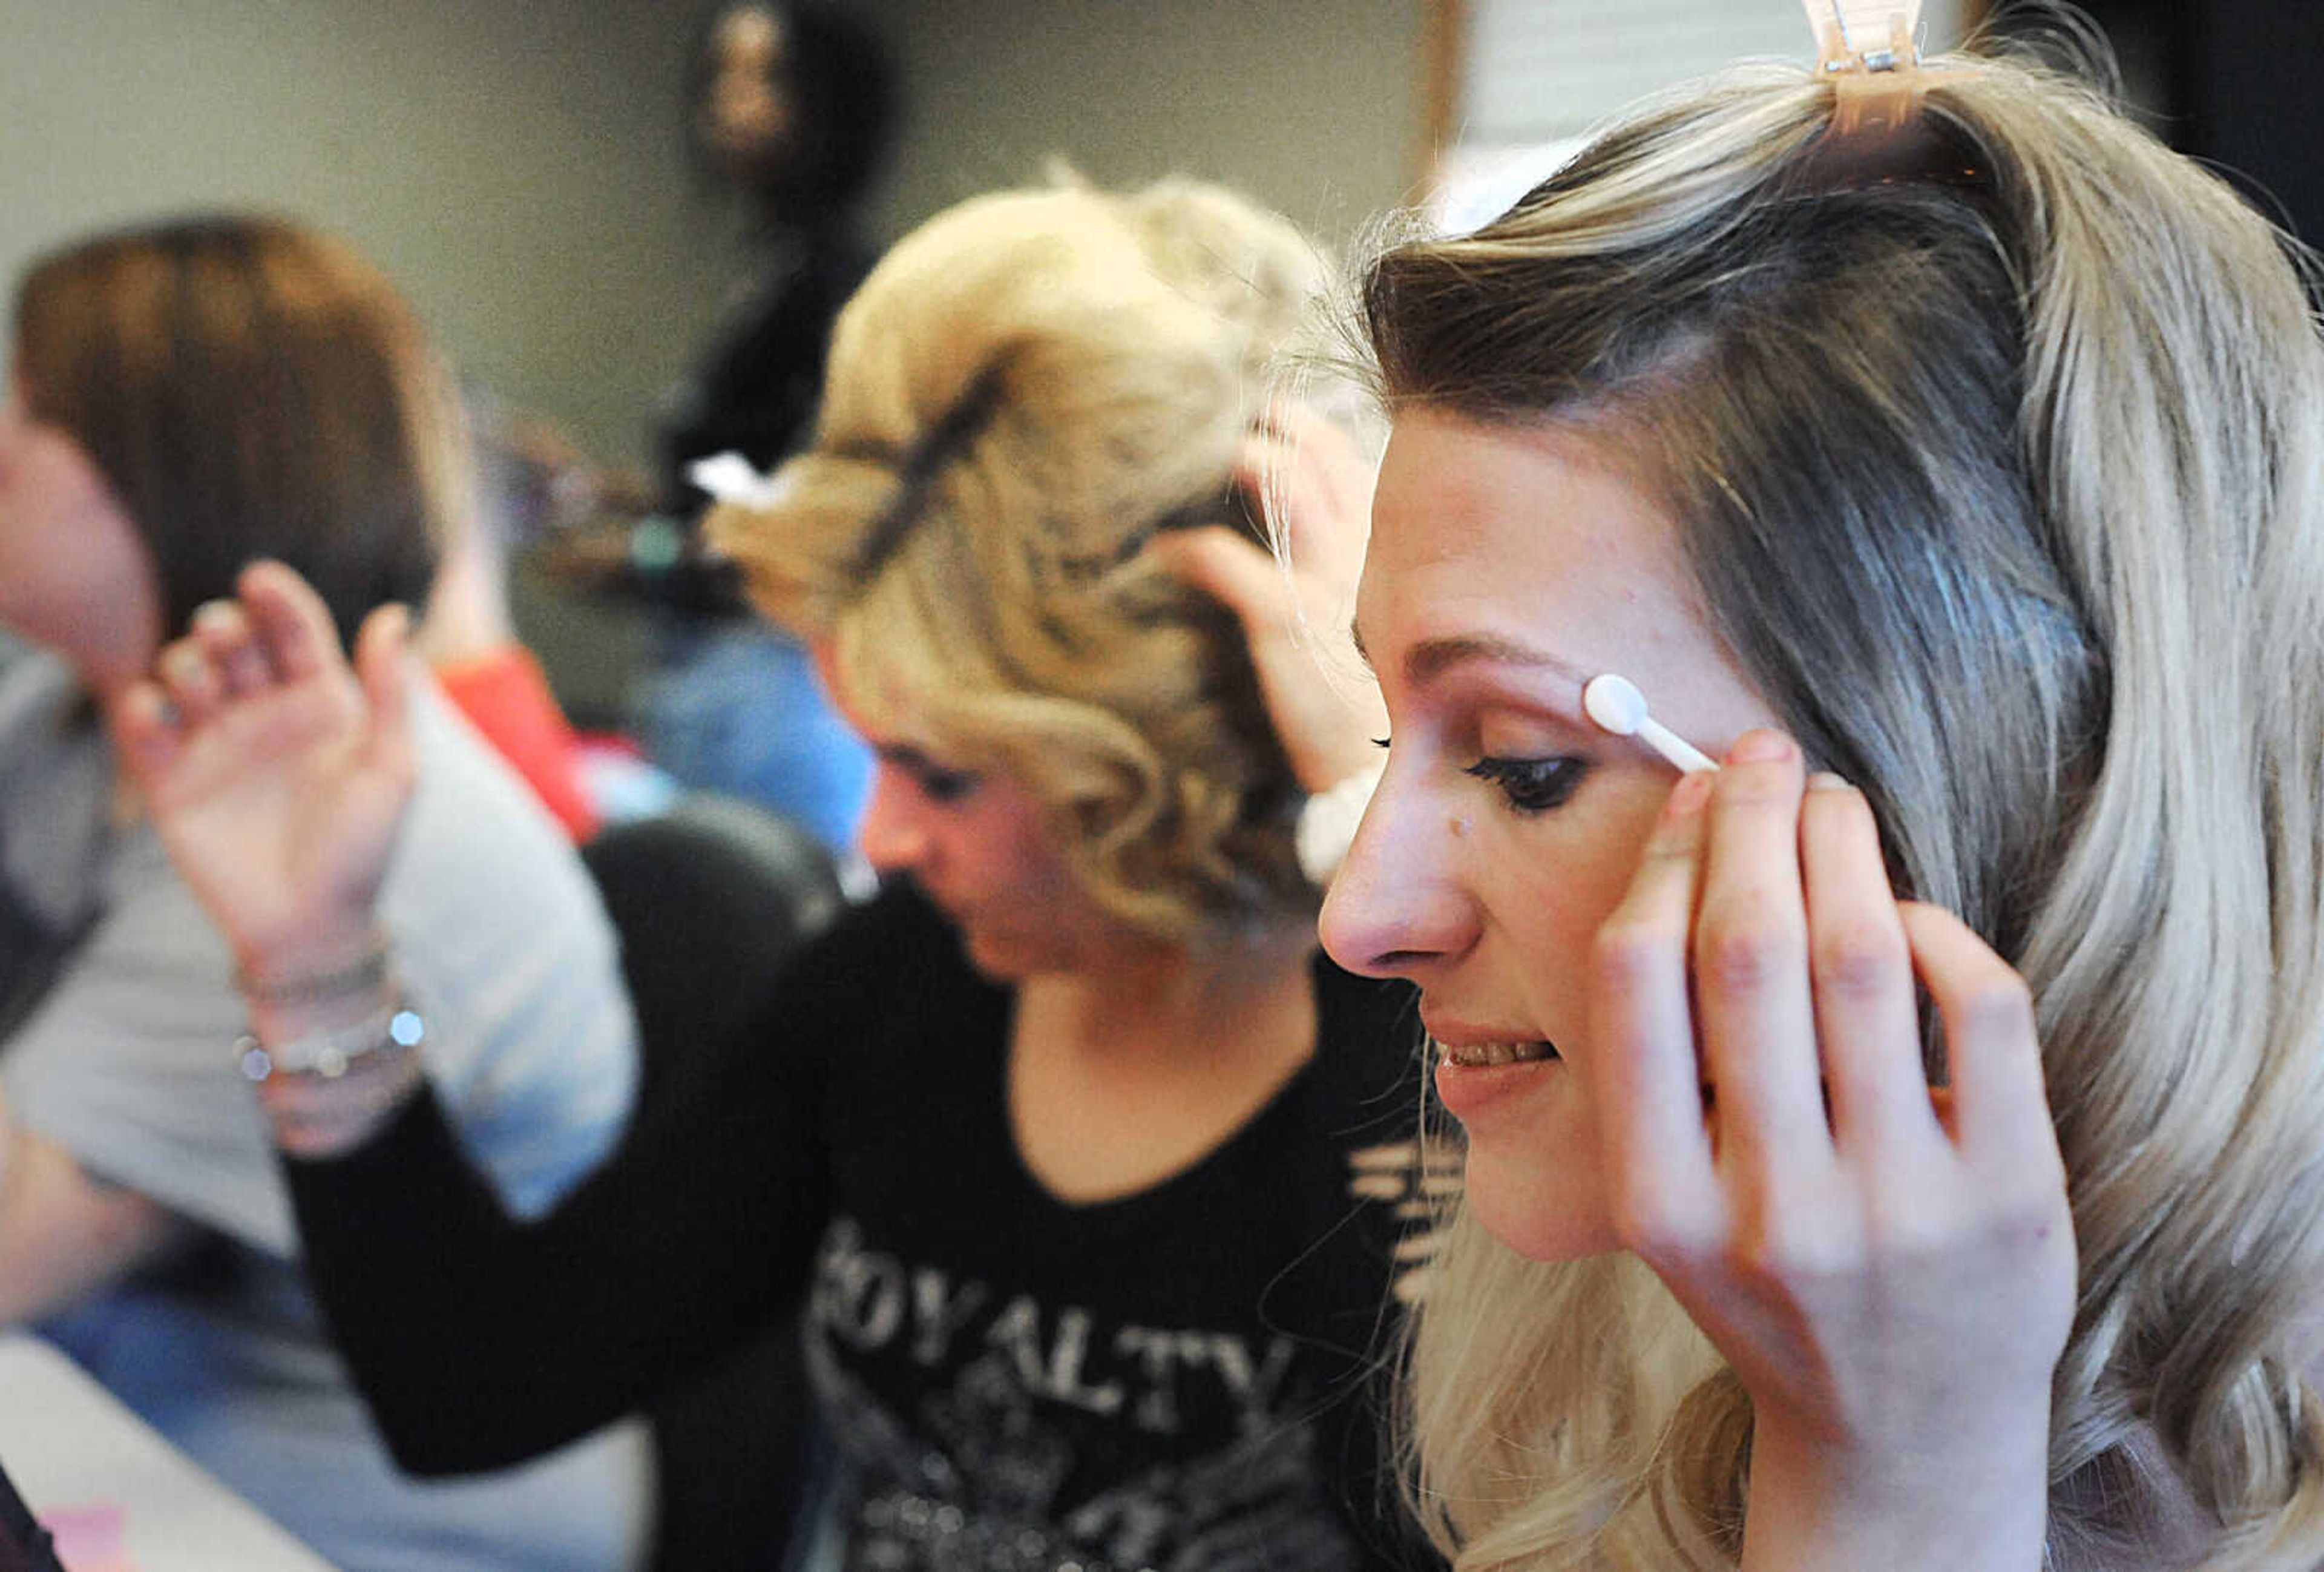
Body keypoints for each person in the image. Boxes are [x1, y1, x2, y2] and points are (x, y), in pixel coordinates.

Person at [114, 180, 1436, 1572]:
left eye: (944, 774)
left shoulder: (1450, 1051)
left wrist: (1373, 826)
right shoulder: (906, 984)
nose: (879, 845)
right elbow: (474, 1387)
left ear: (1162, 751)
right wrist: (313, 959)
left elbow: (1427, 1508)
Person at [1312, 22, 2324, 1572]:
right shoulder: (1612, 1322)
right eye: (1394, 741)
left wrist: (1895, 1498)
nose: (1359, 918)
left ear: (2018, 785)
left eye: (1525, 768)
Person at [0, 215, 651, 1572]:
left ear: (176, 464)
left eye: (32, 408)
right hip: (118, 1405)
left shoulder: (334, 823)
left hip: (342, 1514)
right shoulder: (64, 728)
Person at [617, 0, 898, 850]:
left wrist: (644, 552)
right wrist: (625, 503)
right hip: (712, 669)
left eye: (765, 77)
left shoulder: (846, 290)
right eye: (722, 76)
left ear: (831, 103)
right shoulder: (772, 277)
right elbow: (737, 479)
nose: (732, 105)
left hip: (772, 678)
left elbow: (808, 508)